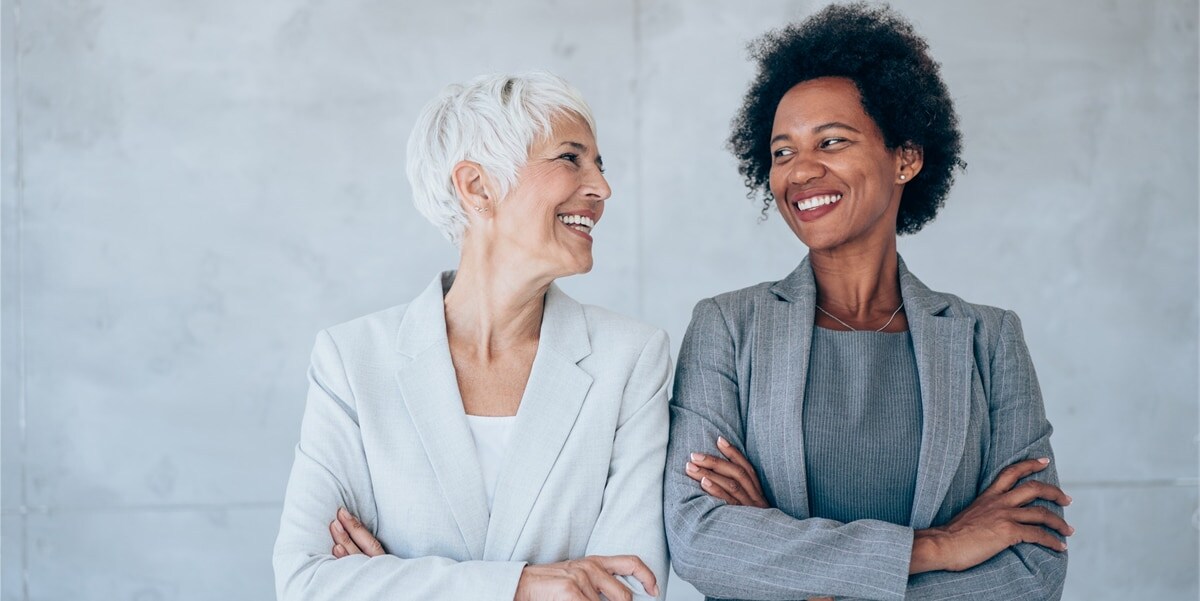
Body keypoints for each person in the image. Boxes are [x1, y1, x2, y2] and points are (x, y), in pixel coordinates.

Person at [663, 4, 1071, 600]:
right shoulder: (728, 326)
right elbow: (701, 539)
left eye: (831, 141)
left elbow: (1034, 566)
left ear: (905, 157)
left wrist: (799, 570)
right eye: (782, 152)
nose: (800, 172)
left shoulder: (988, 338)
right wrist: (939, 546)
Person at [273, 72, 670, 601]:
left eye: (600, 164)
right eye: (570, 158)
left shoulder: (631, 360)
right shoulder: (352, 361)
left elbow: (631, 590)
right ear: (477, 187)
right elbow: (306, 584)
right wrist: (524, 587)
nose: (601, 187)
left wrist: (393, 581)